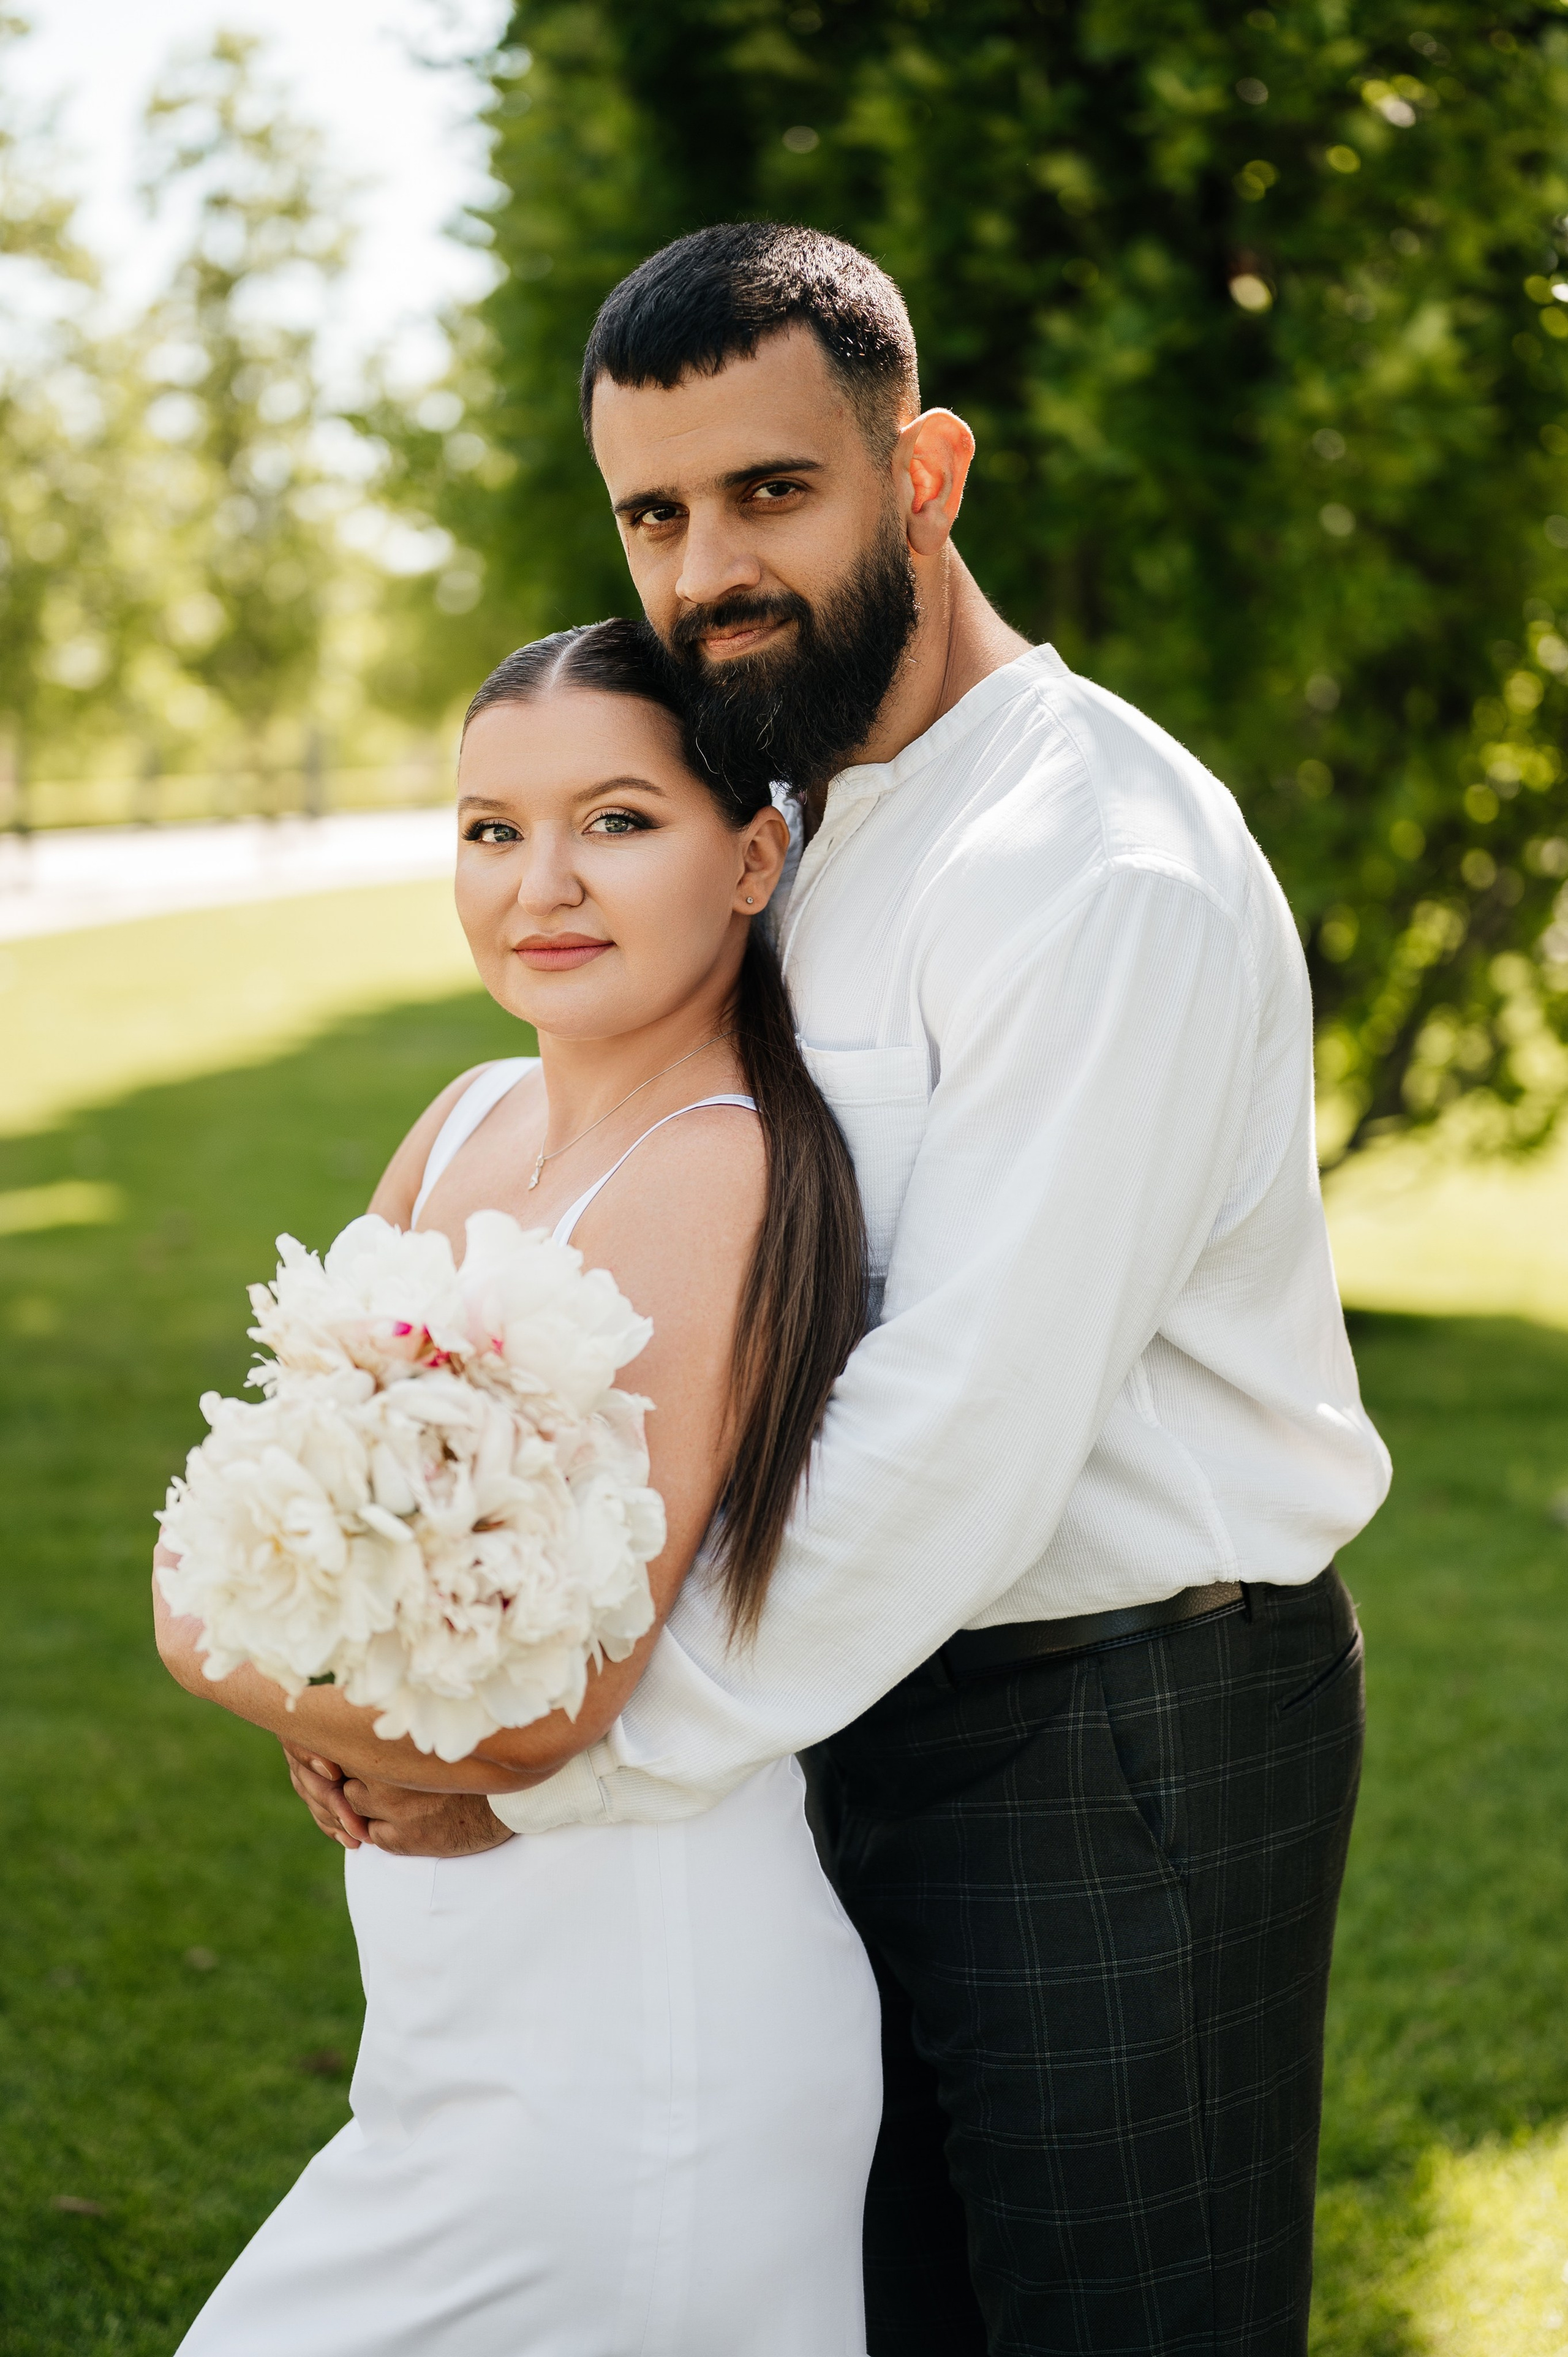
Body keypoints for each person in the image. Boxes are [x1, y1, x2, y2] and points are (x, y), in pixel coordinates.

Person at [296, 224, 1393, 2354]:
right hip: (835, 1711)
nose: (711, 568)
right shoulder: (783, 815)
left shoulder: (1101, 871)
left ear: (926, 475)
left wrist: (532, 1758)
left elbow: (959, 1431)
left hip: (1116, 1728)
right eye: (656, 514)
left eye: (773, 491)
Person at [153, 619, 883, 2356]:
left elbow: (553, 1709)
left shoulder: (719, 1173)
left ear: (752, 857)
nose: (539, 883)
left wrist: (254, 1671)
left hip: (637, 2030)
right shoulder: (467, 1116)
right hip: (450, 2001)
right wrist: (324, 1688)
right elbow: (250, 1529)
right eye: (492, 828)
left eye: (616, 821)